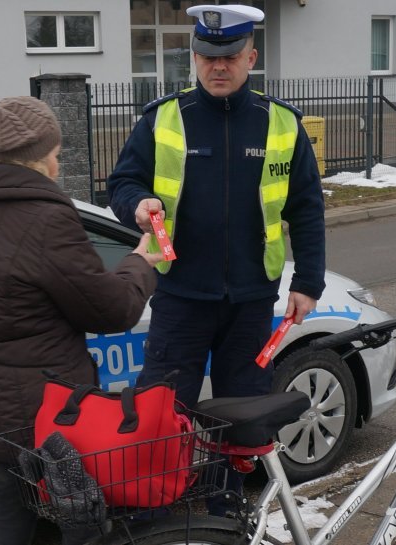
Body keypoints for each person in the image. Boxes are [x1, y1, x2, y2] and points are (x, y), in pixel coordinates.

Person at [106, 4, 326, 513]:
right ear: (194, 57)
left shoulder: (281, 125)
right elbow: (123, 182)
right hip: (180, 295)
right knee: (164, 411)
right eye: (207, 56)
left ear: (251, 57)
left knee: (241, 418)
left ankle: (227, 513)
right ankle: (159, 510)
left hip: (251, 300)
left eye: (229, 57)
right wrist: (135, 204)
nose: (218, 67)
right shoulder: (164, 117)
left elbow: (307, 209)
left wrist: (308, 283)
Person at [0, 96, 161, 545]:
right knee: (83, 529)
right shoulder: (48, 221)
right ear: (40, 160)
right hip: (51, 421)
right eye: (55, 154)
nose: (57, 162)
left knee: (6, 532)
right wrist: (140, 262)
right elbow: (112, 311)